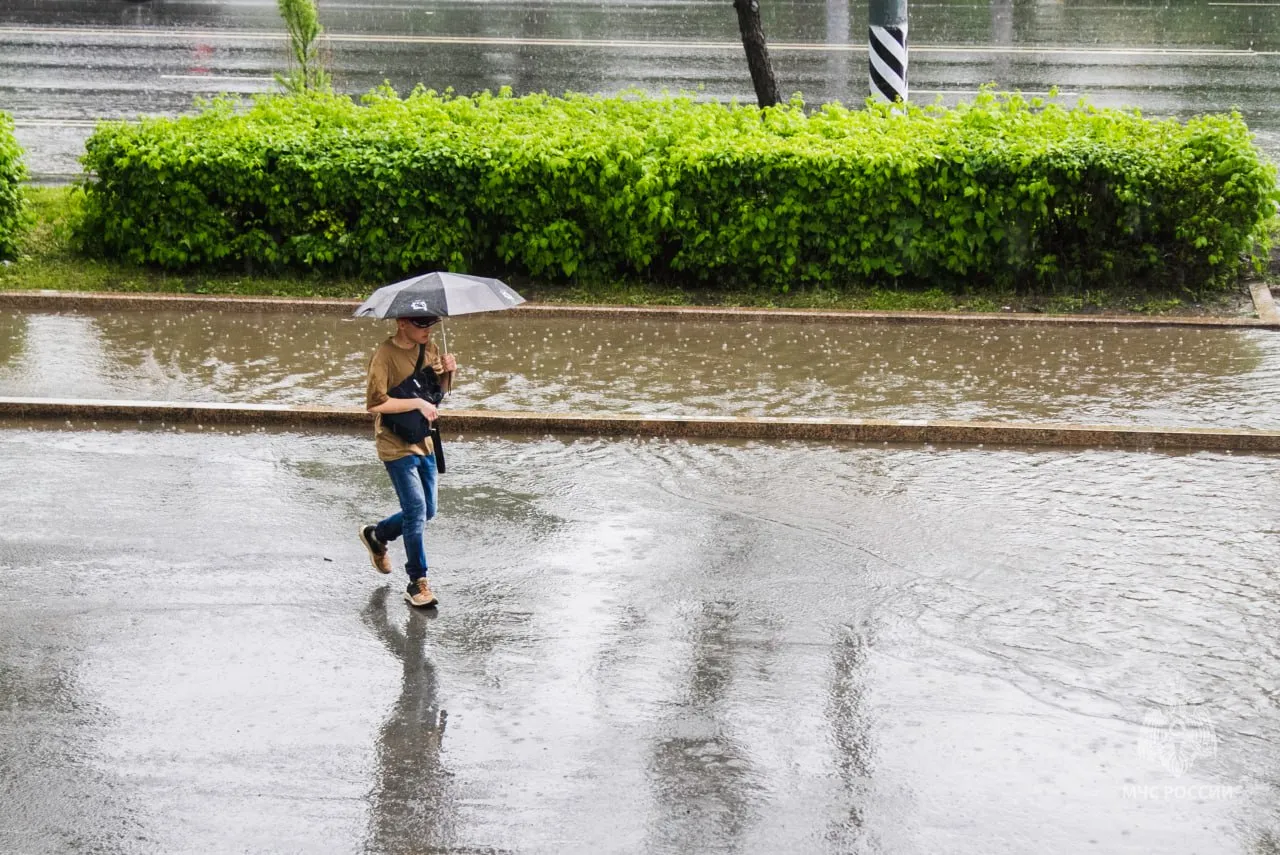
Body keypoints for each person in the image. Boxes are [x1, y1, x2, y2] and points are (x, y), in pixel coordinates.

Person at [359, 315, 457, 607]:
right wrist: (417, 403)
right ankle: (417, 582)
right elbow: (375, 404)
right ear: (402, 323)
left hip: (423, 439)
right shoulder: (384, 356)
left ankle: (377, 535)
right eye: (421, 325)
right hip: (395, 443)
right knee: (415, 509)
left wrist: (448, 372)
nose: (427, 331)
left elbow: (435, 394)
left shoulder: (430, 348)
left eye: (430, 325)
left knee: (428, 510)